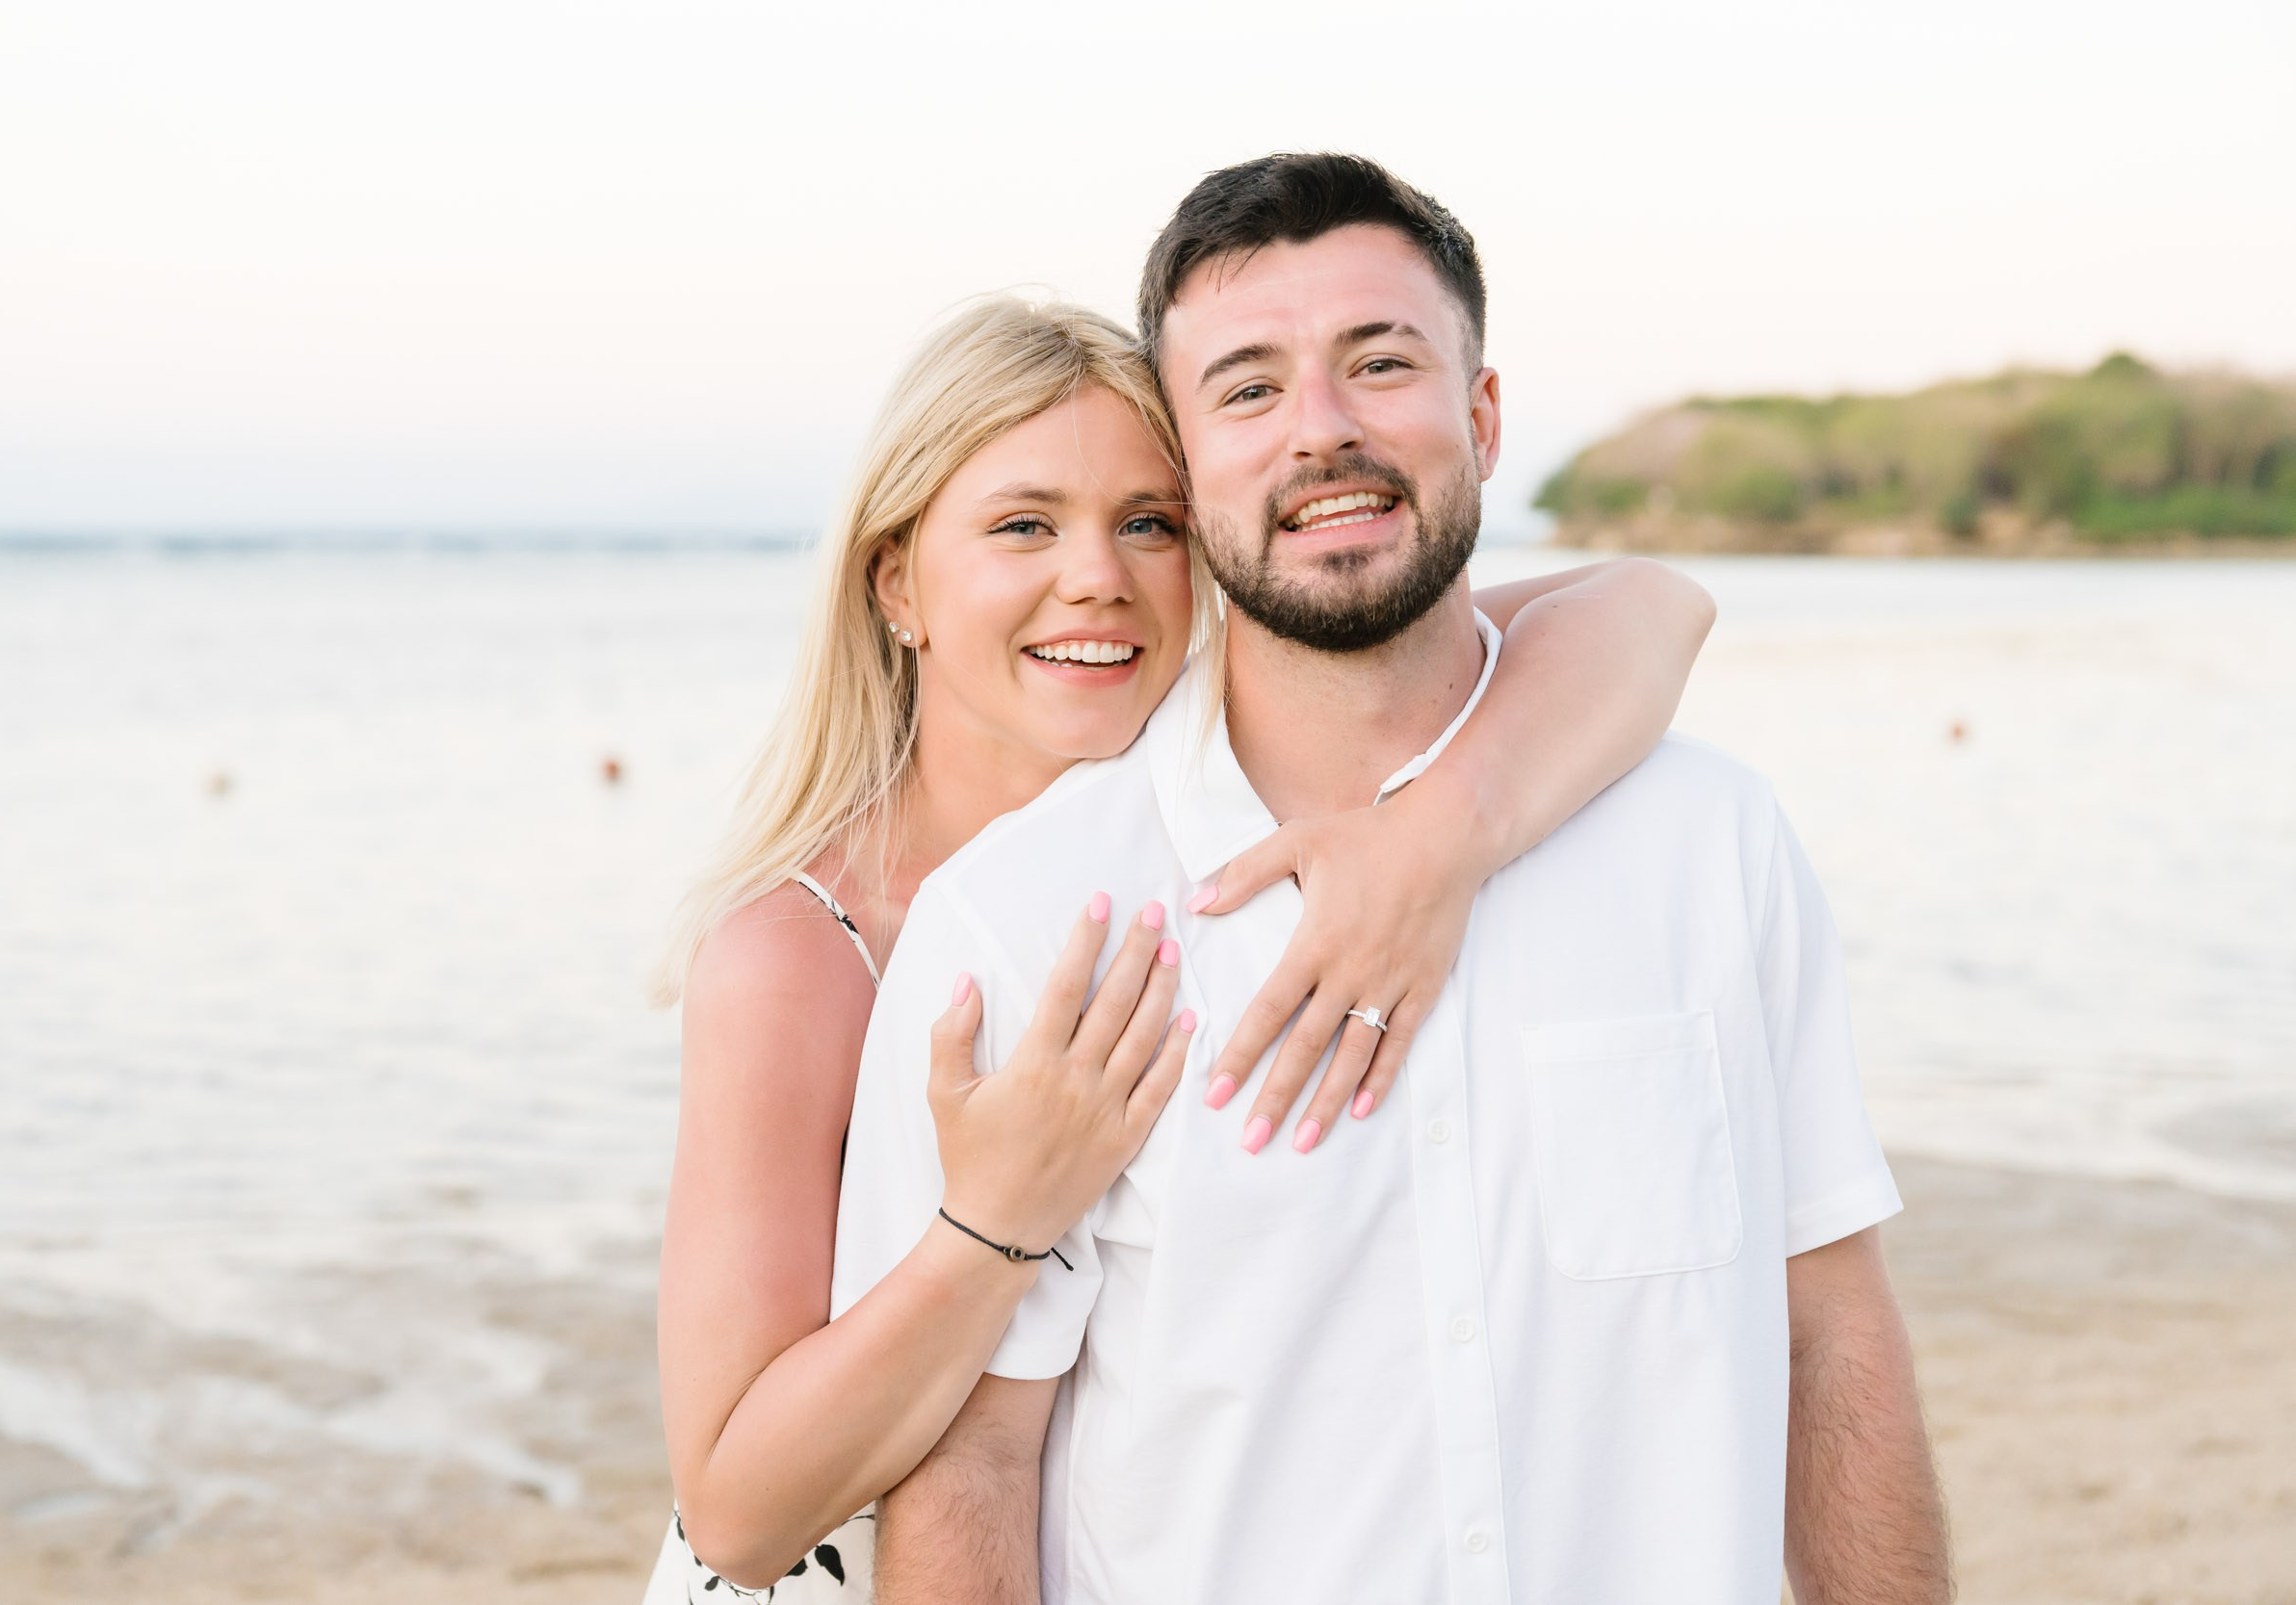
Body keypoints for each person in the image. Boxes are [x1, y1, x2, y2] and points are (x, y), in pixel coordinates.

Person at [829, 155, 1950, 1604]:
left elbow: (1828, 1332)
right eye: (1248, 388)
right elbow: (972, 1469)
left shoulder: (1711, 842)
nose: (1325, 431)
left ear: (1481, 416)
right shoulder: (1025, 923)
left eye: (1381, 362)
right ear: (1186, 462)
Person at [643, 290, 1717, 1603]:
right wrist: (998, 1223)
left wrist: (1439, 839)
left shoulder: (1204, 854)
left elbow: (1648, 606)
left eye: (1149, 524)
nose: (1097, 576)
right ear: (897, 582)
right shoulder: (800, 952)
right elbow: (738, 1515)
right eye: (1023, 525)